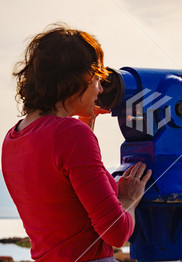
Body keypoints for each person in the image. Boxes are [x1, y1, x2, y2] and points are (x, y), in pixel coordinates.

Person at [1, 24, 151, 262]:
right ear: (79, 79)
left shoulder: (13, 137)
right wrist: (129, 199)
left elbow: (62, 186)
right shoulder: (71, 135)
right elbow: (116, 233)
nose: (100, 89)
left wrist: (86, 118)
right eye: (97, 79)